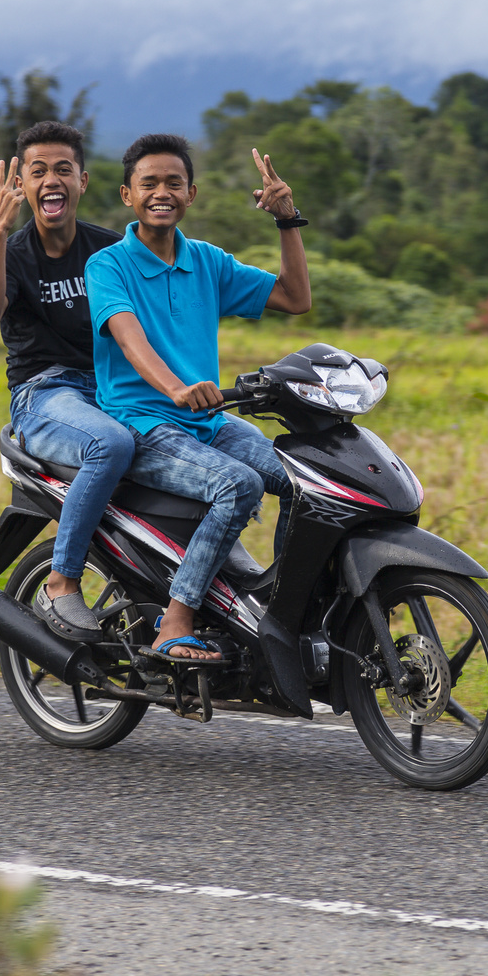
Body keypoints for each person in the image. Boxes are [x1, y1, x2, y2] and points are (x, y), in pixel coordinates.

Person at [85, 134, 311, 664]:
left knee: (305, 482)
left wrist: (287, 219)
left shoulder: (206, 262)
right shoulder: (108, 266)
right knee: (239, 485)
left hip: (208, 422)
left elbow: (295, 298)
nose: (161, 193)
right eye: (149, 184)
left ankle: (280, 609)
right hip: (144, 422)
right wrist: (176, 388)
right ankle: (176, 621)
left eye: (173, 183)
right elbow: (128, 336)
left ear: (192, 193)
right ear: (127, 195)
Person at [0, 121, 130, 644]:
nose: (51, 180)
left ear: (83, 181)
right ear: (23, 185)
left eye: (64, 169)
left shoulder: (108, 249)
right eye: (38, 171)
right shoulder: (13, 253)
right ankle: (61, 583)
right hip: (45, 394)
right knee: (109, 445)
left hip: (109, 389)